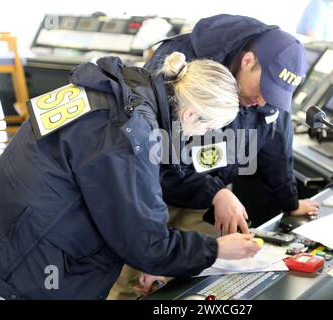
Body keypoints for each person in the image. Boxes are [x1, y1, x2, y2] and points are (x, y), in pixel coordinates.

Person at [0, 52, 262, 300]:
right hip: (16, 271)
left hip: (0, 236)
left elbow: (140, 182)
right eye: (209, 129)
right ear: (189, 115)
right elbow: (146, 244)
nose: (206, 136)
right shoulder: (130, 133)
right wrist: (214, 249)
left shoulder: (124, 89)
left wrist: (215, 192)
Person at [108, 14, 320, 299]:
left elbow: (276, 146)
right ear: (247, 62)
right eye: (263, 90)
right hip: (152, 195)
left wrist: (289, 201)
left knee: (187, 288)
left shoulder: (266, 94)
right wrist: (216, 195)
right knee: (130, 285)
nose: (262, 101)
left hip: (205, 201)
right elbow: (152, 158)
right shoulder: (179, 66)